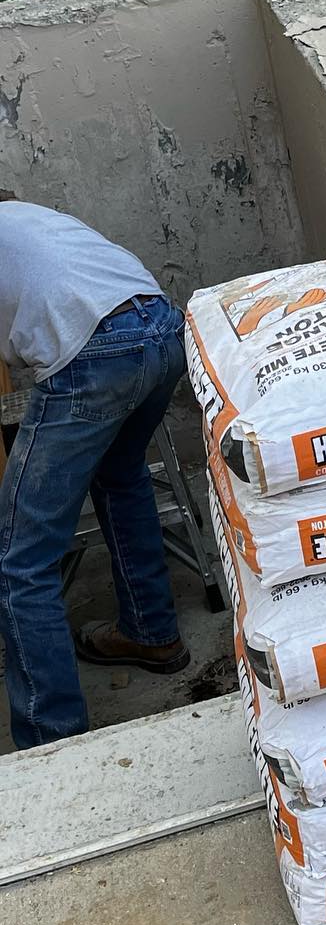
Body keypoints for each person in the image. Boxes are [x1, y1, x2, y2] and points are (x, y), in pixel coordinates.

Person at [0, 198, 190, 749]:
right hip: (161, 328)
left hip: (93, 354)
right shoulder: (29, 217)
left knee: (21, 560)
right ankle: (151, 633)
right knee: (121, 476)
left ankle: (50, 739)